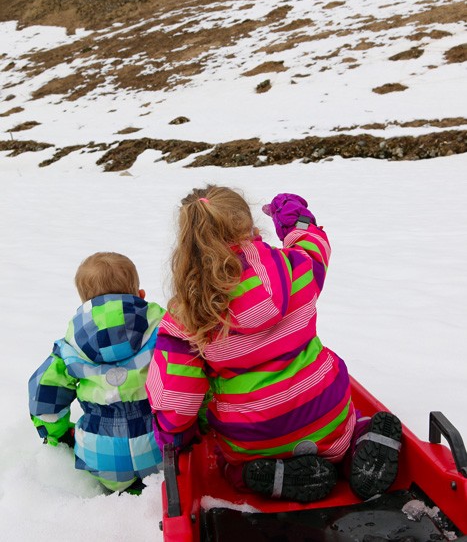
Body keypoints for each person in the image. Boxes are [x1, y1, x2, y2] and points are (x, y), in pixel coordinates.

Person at [146, 186, 402, 502]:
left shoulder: (188, 312)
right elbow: (314, 245)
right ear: (250, 227)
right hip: (324, 410)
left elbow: (177, 393)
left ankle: (269, 476)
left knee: (233, 466)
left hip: (253, 438)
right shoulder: (296, 266)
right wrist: (294, 216)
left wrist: (175, 436)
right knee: (341, 427)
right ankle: (355, 447)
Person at [29, 251, 165, 493]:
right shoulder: (161, 330)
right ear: (140, 295)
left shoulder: (71, 346)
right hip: (159, 447)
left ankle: (119, 492)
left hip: (100, 456)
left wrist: (58, 436)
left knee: (113, 472)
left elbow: (44, 394)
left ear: (84, 303)